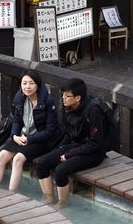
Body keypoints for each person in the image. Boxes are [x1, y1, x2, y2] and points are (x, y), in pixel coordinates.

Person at [36, 78, 107, 206]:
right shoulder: (68, 107)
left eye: (67, 96)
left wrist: (69, 154)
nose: (63, 98)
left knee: (60, 170)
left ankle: (62, 203)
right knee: (42, 163)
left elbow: (95, 143)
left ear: (78, 98)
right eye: (62, 94)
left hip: (94, 153)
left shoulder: (93, 110)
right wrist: (60, 150)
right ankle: (48, 198)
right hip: (75, 146)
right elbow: (69, 133)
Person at [0, 69, 63, 192]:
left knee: (18, 159)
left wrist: (29, 139)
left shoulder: (47, 101)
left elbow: (50, 130)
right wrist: (14, 136)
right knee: (1, 155)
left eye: (31, 83)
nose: (27, 87)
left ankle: (11, 195)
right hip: (23, 137)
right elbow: (16, 121)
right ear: (20, 85)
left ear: (38, 84)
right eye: (24, 83)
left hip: (42, 140)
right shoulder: (19, 97)